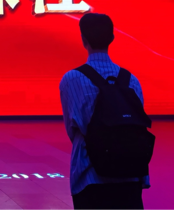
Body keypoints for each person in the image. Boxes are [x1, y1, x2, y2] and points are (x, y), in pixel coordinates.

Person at [59, 13, 149, 210]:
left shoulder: (72, 79)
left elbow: (72, 129)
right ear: (112, 38)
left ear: (83, 39)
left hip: (90, 175)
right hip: (131, 172)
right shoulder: (131, 79)